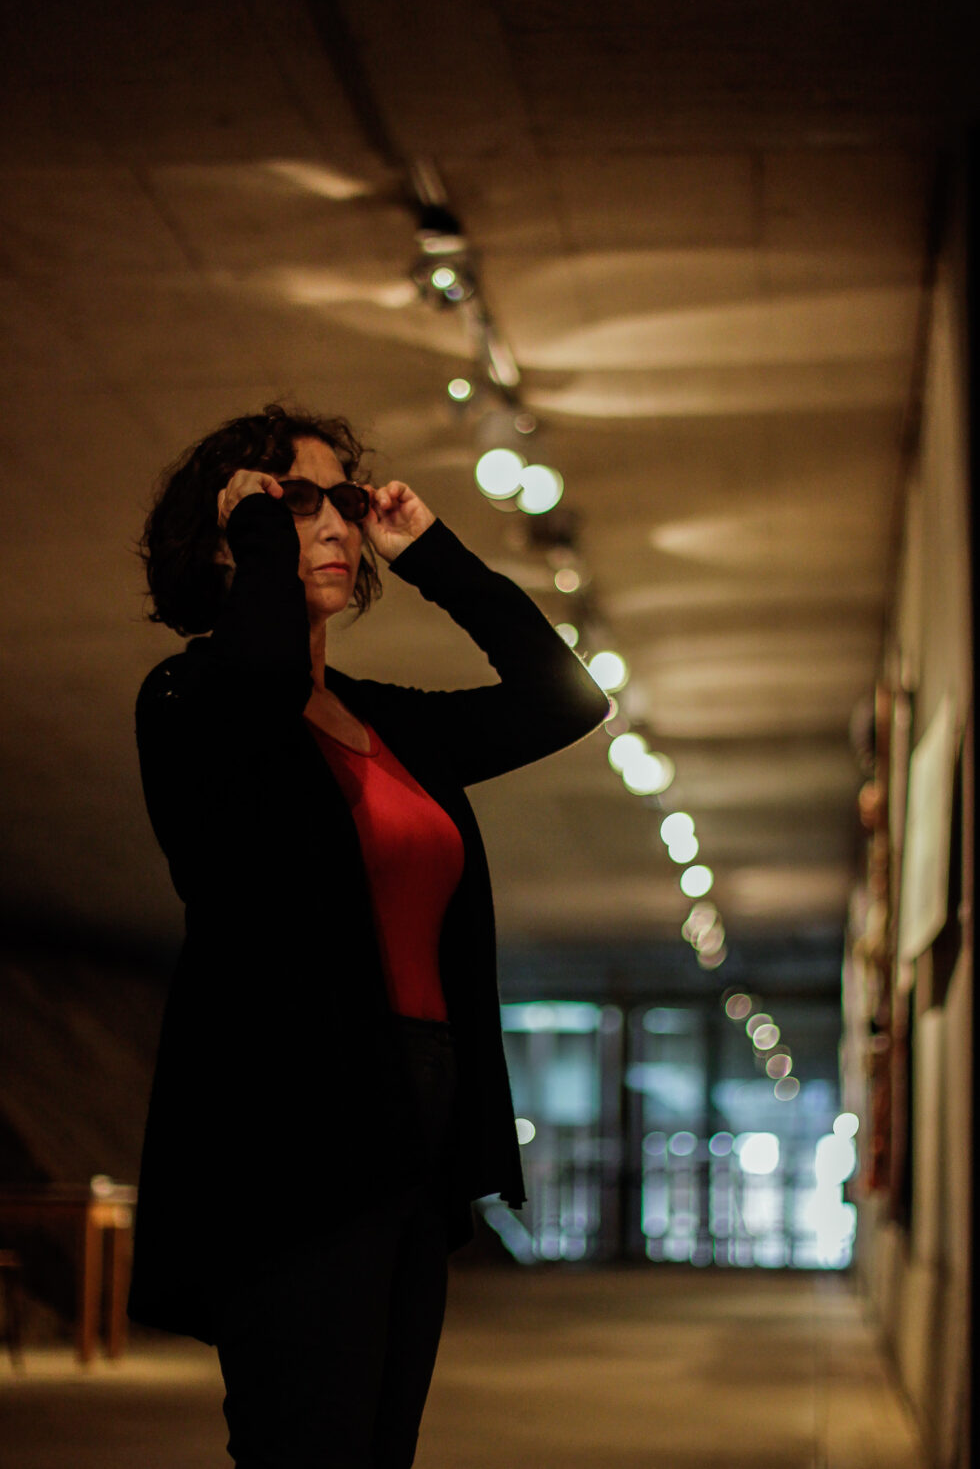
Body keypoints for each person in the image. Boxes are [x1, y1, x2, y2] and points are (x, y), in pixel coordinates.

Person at [129, 402, 609, 1468]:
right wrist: (259, 538)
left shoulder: (384, 721)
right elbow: (260, 687)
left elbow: (565, 700)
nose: (336, 525)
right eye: (295, 503)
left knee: (380, 1450)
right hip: (291, 1138)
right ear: (230, 534)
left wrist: (431, 553)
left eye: (341, 501)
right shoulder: (188, 698)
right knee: (306, 1447)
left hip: (412, 1133)